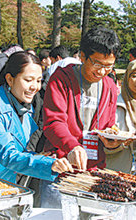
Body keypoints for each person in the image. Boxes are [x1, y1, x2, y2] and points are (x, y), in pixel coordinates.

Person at [0, 51, 73, 183]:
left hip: (4, 184)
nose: (34, 87)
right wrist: (46, 164)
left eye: (38, 81)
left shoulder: (27, 108)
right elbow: (7, 154)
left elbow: (19, 151)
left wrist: (40, 157)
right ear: (10, 79)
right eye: (28, 80)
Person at [41, 26, 121, 208]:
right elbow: (53, 121)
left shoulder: (109, 86)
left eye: (108, 66)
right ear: (83, 56)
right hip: (61, 169)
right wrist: (72, 146)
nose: (102, 71)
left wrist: (111, 140)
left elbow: (108, 125)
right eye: (97, 64)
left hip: (92, 172)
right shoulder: (62, 79)